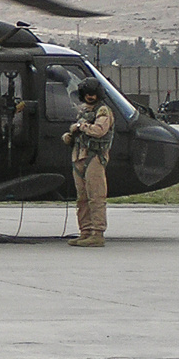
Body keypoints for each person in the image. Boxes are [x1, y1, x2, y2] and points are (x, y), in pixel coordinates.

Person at [63, 76, 113, 247]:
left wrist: (80, 127)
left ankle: (97, 233)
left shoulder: (103, 111)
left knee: (96, 196)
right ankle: (85, 231)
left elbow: (99, 130)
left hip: (95, 156)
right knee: (82, 197)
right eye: (87, 94)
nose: (90, 97)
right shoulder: (83, 110)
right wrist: (70, 135)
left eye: (93, 94)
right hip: (79, 155)